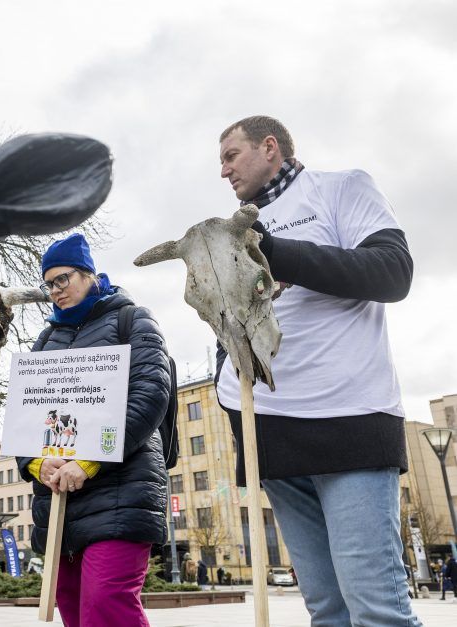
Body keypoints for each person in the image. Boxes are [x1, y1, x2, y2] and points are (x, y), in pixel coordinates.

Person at [215, 115, 418, 625]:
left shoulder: (341, 189)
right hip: (274, 436)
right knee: (326, 609)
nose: (222, 171)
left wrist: (276, 253)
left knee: (377, 609)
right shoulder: (237, 229)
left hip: (348, 422)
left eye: (230, 156)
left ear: (269, 148)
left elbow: (393, 272)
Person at [16, 233, 172, 627]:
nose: (55, 291)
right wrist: (36, 464)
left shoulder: (131, 320)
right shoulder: (47, 339)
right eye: (48, 284)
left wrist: (89, 460)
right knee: (71, 603)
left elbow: (150, 396)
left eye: (62, 279)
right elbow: (27, 415)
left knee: (106, 603)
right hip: (60, 501)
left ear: (87, 273)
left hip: (122, 489)